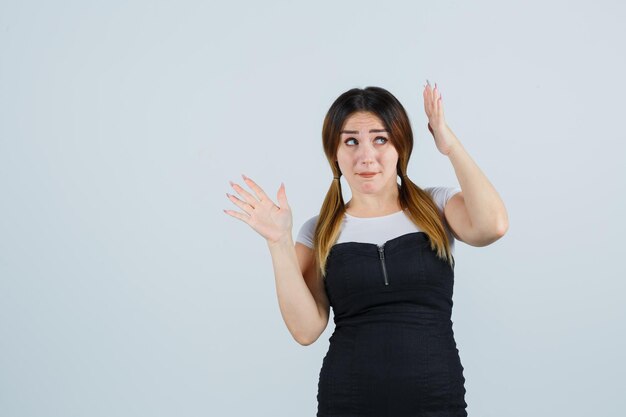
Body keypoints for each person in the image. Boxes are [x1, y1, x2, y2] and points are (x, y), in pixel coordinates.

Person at [224, 82, 509, 416]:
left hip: (437, 402)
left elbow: (492, 226)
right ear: (335, 152)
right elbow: (306, 330)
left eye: (380, 139)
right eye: (351, 141)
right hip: (348, 403)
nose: (366, 156)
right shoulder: (319, 231)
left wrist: (449, 144)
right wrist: (279, 243)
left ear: (400, 146)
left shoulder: (437, 206)